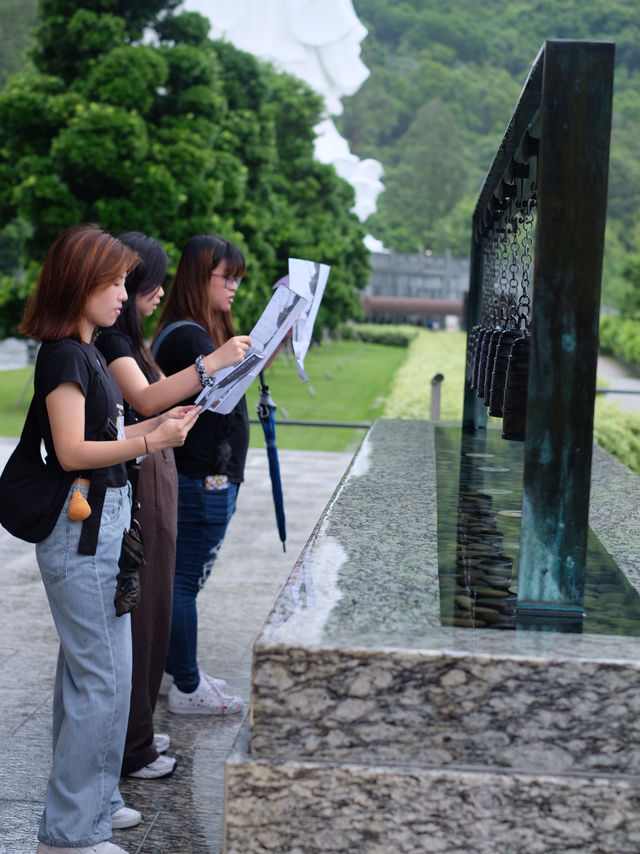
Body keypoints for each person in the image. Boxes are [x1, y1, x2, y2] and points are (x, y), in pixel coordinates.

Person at [19, 224, 200, 854]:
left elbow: (107, 427)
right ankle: (73, 832)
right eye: (114, 281)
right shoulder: (66, 354)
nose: (124, 293)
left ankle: (90, 805)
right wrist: (152, 439)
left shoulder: (90, 349)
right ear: (79, 283)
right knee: (100, 680)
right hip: (81, 530)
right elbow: (72, 449)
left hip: (103, 528)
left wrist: (158, 420)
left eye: (126, 281)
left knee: (97, 677)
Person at [96, 232, 250, 778]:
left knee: (155, 609)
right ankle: (131, 743)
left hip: (157, 477)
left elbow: (148, 408)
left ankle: (135, 734)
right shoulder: (103, 345)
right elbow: (143, 402)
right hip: (141, 486)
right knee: (142, 615)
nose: (151, 291)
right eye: (133, 282)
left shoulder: (128, 341)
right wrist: (210, 368)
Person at [152, 234, 253, 715]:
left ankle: (177, 673)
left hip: (205, 476)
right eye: (226, 277)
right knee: (183, 584)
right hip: (201, 478)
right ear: (200, 277)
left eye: (237, 277)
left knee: (182, 581)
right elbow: (222, 399)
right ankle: (186, 685)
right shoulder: (190, 337)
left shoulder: (194, 331)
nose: (234, 286)